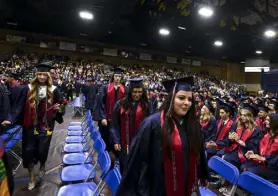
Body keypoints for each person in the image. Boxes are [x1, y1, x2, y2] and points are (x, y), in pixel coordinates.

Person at [116, 77, 208, 196]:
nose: (187, 103)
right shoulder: (153, 124)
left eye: (190, 99)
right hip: (159, 187)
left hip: (187, 186)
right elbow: (136, 160)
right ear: (171, 99)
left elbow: (198, 155)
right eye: (181, 98)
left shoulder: (193, 126)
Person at [21, 62, 65, 190]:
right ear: (36, 75)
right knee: (28, 151)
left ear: (48, 76)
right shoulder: (28, 89)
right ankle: (31, 178)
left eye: (44, 75)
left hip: (46, 126)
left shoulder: (54, 89)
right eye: (39, 74)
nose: (41, 77)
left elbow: (61, 105)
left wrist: (59, 108)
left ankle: (42, 165)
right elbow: (20, 106)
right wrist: (11, 118)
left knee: (42, 150)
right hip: (30, 126)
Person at [110, 78, 154, 173]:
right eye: (134, 92)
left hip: (141, 144)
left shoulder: (147, 105)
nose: (137, 95)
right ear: (130, 91)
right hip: (124, 144)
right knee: (125, 169)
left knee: (138, 170)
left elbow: (151, 126)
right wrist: (116, 140)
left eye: (140, 92)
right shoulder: (120, 104)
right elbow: (114, 124)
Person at [242, 113, 278, 181]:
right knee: (243, 166)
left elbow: (276, 160)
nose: (265, 121)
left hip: (273, 168)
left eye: (268, 120)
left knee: (250, 171)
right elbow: (259, 148)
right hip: (262, 163)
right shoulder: (265, 134)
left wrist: (262, 158)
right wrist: (253, 152)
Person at [100, 68, 126, 151]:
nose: (117, 78)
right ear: (113, 77)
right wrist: (103, 117)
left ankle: (116, 155)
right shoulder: (106, 88)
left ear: (121, 78)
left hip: (119, 119)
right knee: (107, 137)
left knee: (117, 136)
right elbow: (101, 103)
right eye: (116, 76)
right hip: (108, 118)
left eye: (119, 76)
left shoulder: (124, 89)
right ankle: (107, 153)